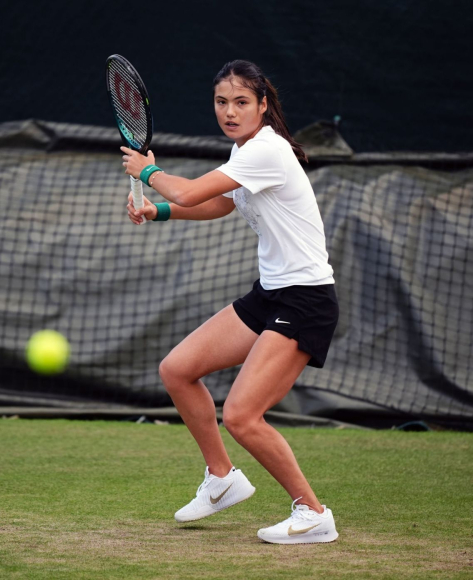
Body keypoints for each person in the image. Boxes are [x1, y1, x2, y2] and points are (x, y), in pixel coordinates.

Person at [122, 60, 339, 545]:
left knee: (242, 415)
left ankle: (313, 514)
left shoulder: (266, 151)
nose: (230, 111)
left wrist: (149, 171)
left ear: (263, 105)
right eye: (222, 102)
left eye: (242, 102)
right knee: (178, 369)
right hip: (271, 293)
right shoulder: (243, 151)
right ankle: (221, 478)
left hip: (305, 300)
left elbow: (195, 189)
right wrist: (156, 210)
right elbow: (219, 203)